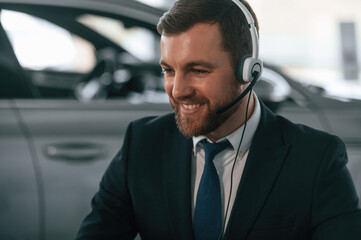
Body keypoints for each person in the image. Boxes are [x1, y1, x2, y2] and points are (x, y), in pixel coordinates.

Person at [75, 0, 361, 239]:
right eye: (168, 70)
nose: (177, 91)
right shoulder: (141, 143)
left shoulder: (315, 159)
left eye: (198, 70)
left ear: (248, 72)